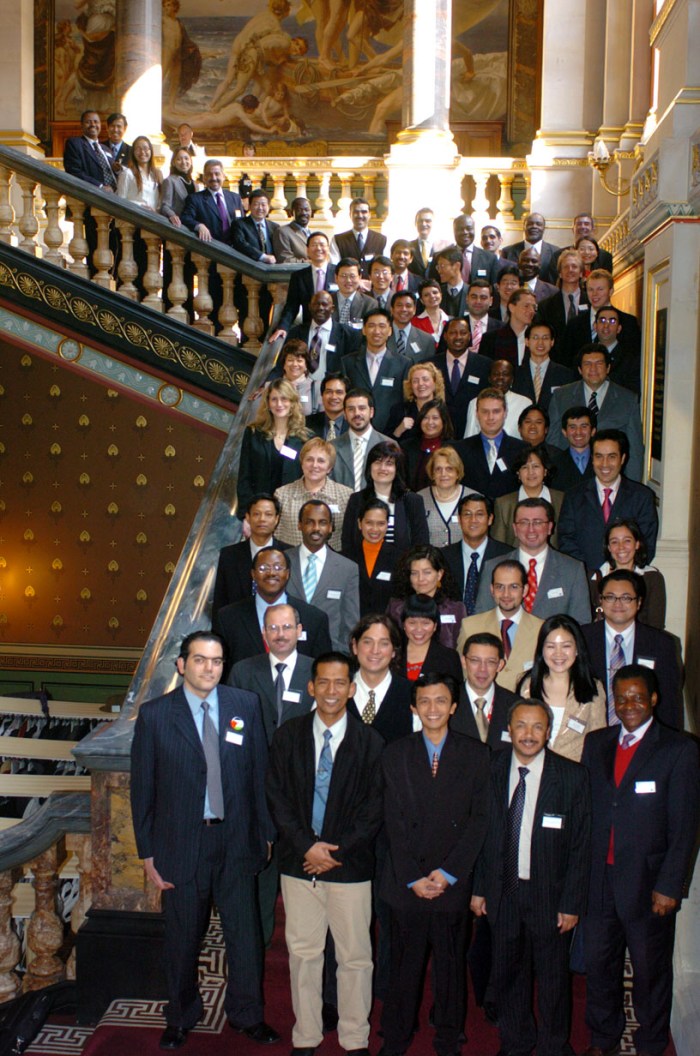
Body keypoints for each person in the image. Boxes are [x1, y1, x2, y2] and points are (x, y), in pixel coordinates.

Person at [130, 631, 278, 1050]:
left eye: (216, 660)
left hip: (236, 841)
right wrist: (148, 852)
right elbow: (143, 790)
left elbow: (259, 776)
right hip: (182, 844)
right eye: (200, 660)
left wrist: (265, 833)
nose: (209, 668)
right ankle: (180, 1016)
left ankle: (247, 1015)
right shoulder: (156, 715)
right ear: (181, 665)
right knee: (182, 938)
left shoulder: (244, 706)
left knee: (245, 938)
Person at [266, 652, 384, 1056]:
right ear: (311, 687)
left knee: (355, 958)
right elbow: (276, 797)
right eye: (324, 683)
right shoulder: (288, 735)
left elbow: (374, 809)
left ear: (352, 689)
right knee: (303, 955)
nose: (331, 691)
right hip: (299, 864)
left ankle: (354, 1038)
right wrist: (306, 846)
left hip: (350, 868)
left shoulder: (371, 743)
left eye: (340, 684)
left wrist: (334, 851)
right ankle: (307, 1035)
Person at [580, 664, 699, 1056]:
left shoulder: (678, 749)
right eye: (622, 697)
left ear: (653, 699)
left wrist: (670, 885)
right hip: (600, 879)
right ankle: (603, 1038)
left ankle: (649, 1043)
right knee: (599, 966)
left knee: (650, 973)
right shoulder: (596, 743)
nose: (629, 705)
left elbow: (685, 826)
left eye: (637, 697)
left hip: (649, 885)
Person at [471, 699, 591, 1056]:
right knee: (508, 972)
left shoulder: (571, 777)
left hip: (549, 896)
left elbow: (581, 847)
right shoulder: (490, 769)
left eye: (538, 727)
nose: (529, 734)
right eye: (521, 726)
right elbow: (480, 836)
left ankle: (555, 1046)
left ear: (549, 731)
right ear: (509, 730)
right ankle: (516, 1041)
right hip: (502, 890)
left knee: (554, 978)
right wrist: (479, 889)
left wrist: (571, 903)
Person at [380, 674, 490, 1056]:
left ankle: (448, 1036)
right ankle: (396, 1036)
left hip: (451, 882)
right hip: (407, 883)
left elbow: (480, 820)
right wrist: (413, 876)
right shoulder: (395, 753)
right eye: (424, 702)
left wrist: (447, 873)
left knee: (450, 966)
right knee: (403, 968)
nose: (432, 709)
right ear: (413, 707)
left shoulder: (476, 754)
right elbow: (391, 820)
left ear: (454, 706)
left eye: (440, 701)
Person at [581, 570, 684, 730]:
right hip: (590, 733)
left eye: (626, 598)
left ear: (639, 602)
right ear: (601, 600)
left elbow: (669, 703)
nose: (618, 604)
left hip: (643, 737)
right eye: (610, 597)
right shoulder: (581, 638)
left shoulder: (662, 644)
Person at [476, 497, 592, 626]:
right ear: (515, 528)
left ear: (550, 527)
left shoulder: (573, 570)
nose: (531, 529)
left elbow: (581, 623)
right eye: (524, 522)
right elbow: (482, 618)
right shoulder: (492, 567)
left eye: (537, 522)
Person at [213, 546, 332, 669]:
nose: (271, 573)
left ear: (287, 574)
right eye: (263, 568)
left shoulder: (314, 618)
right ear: (253, 574)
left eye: (278, 567)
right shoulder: (227, 618)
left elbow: (324, 670)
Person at [557, 429, 658, 568]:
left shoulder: (641, 497)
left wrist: (620, 573)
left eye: (611, 457)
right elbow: (566, 541)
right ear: (592, 458)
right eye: (599, 456)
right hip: (585, 580)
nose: (605, 464)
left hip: (627, 580)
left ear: (622, 458)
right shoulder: (573, 496)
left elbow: (646, 544)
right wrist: (590, 575)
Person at [546, 347, 645, 480]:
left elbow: (634, 449)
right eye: (587, 364)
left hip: (610, 476)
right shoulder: (561, 396)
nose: (593, 369)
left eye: (599, 363)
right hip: (569, 475)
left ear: (608, 368)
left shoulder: (627, 399)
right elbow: (553, 441)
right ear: (580, 369)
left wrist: (632, 485)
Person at [517, 615, 606, 761]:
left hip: (576, 774)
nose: (558, 654)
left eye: (566, 646)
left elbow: (599, 742)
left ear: (577, 649)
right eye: (551, 646)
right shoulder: (527, 685)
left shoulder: (593, 687)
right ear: (542, 650)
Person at [457, 560, 543, 692]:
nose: (506, 594)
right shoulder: (470, 626)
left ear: (525, 590)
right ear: (492, 589)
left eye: (513, 587)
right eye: (500, 587)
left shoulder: (541, 629)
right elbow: (462, 672)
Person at [287, 500, 360, 652]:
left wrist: (341, 655)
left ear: (330, 527)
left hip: (329, 654)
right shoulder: (282, 562)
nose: (316, 528)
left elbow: (350, 622)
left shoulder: (347, 568)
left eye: (322, 523)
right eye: (309, 522)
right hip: (287, 652)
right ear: (299, 525)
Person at [236, 379, 309, 518]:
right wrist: (247, 515)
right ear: (268, 404)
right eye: (274, 399)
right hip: (259, 514)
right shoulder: (253, 433)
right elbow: (244, 477)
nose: (279, 404)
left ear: (293, 403)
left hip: (289, 515)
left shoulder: (305, 439)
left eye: (284, 399)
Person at [341, 440, 429, 554]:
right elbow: (348, 543)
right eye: (377, 462)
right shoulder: (356, 500)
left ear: (397, 469)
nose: (382, 468)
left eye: (389, 463)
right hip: (363, 569)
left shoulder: (412, 501)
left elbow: (421, 544)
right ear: (369, 467)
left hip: (402, 569)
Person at [212, 493, 289, 617]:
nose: (262, 519)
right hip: (238, 628)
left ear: (277, 519)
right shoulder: (229, 555)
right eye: (256, 514)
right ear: (247, 518)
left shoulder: (289, 553)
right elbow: (220, 601)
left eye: (268, 514)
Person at [274, 437, 352, 550]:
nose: (314, 465)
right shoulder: (282, 495)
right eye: (309, 459)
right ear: (302, 463)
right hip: (292, 563)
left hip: (331, 564)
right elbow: (276, 536)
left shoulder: (346, 496)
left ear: (329, 467)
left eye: (321, 461)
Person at [449, 387, 526, 500]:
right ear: (476, 414)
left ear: (505, 413)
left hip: (509, 515)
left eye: (496, 411)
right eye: (485, 411)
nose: (490, 417)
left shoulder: (522, 450)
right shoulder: (459, 450)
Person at [590, 517, 667, 629]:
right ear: (609, 547)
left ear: (637, 544)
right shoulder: (595, 578)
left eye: (627, 541)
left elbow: (656, 625)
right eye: (614, 542)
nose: (621, 547)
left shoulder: (652, 578)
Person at [341, 308, 409, 433]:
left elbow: (405, 401)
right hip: (355, 430)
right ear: (364, 330)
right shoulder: (348, 362)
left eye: (382, 326)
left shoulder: (403, 364)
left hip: (390, 434)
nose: (377, 331)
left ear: (390, 331)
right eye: (371, 326)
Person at [348, 614, 413, 742]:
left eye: (384, 643)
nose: (375, 650)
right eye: (367, 642)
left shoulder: (412, 693)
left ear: (394, 650)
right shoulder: (336, 690)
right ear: (355, 646)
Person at [387, 545, 466, 651]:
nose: (420, 579)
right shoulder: (396, 608)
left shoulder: (456, 609)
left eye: (427, 572)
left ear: (439, 574)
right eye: (414, 573)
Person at [442, 493, 511, 615]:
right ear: (459, 519)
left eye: (479, 514)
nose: (473, 520)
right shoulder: (443, 557)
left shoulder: (507, 555)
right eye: (467, 514)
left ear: (490, 519)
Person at [560, 270, 641, 372]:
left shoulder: (628, 322)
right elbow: (566, 360)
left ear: (611, 291)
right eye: (590, 289)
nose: (595, 294)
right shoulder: (574, 324)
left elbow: (633, 359)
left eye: (600, 289)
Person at [451, 632, 517, 747]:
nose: (482, 669)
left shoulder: (515, 705)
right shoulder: (447, 701)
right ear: (463, 661)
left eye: (490, 662)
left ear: (500, 665)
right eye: (475, 660)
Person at [491, 444, 565, 548]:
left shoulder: (562, 500)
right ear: (518, 473)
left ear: (545, 471)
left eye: (536, 466)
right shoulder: (503, 504)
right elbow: (498, 545)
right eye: (525, 467)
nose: (531, 472)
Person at [271, 232, 338, 339]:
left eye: (322, 245)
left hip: (334, 329)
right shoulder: (299, 276)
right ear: (307, 250)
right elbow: (291, 306)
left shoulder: (338, 273)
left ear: (328, 249)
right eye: (314, 245)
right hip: (309, 329)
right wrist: (283, 327)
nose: (318, 248)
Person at [434, 316, 492, 438]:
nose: (458, 337)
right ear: (445, 336)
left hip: (472, 432)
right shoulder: (431, 365)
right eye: (453, 333)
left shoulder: (485, 365)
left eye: (463, 333)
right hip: (438, 433)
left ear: (470, 336)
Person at [285, 292, 361, 382]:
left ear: (332, 308)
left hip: (333, 390)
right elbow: (283, 362)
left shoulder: (349, 335)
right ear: (309, 307)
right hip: (301, 387)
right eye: (316, 304)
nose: (320, 308)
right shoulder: (295, 333)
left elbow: (353, 369)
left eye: (324, 304)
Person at [330, 389, 390, 491]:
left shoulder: (388, 445)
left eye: (362, 408)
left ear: (371, 412)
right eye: (351, 409)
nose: (357, 413)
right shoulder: (331, 447)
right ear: (344, 414)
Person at [396, 594, 463, 684]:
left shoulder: (449, 658)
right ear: (404, 624)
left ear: (435, 626)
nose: (419, 629)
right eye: (412, 623)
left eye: (425, 623)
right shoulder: (392, 653)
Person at [512, 321, 575, 412]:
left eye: (545, 338)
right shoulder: (515, 373)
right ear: (527, 341)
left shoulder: (565, 374)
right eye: (535, 338)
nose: (540, 342)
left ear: (552, 342)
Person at [462, 358, 533, 438]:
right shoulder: (475, 402)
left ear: (512, 379)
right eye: (496, 374)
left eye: (505, 374)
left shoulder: (525, 403)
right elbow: (470, 436)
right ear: (489, 378)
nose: (500, 377)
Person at [180, 158, 244, 242]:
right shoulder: (195, 199)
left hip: (234, 248)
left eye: (217, 174)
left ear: (223, 176)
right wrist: (199, 226)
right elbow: (185, 218)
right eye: (209, 174)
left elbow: (242, 222)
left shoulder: (235, 198)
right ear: (204, 178)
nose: (214, 178)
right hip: (211, 247)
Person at [417, 446, 470, 548]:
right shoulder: (418, 499)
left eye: (449, 469)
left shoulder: (473, 498)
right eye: (438, 469)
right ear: (432, 473)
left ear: (457, 472)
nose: (443, 474)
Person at [351, 498, 397, 615]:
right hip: (354, 625)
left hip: (387, 625)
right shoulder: (346, 558)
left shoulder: (400, 558)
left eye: (381, 523)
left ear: (387, 525)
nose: (375, 529)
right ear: (359, 523)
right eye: (369, 523)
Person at [400, 399, 455, 492]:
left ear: (444, 421)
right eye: (425, 417)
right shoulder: (406, 447)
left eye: (435, 418)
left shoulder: (454, 448)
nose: (430, 422)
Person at [385, 361, 447, 441]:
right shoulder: (399, 410)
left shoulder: (445, 410)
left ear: (435, 383)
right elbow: (386, 443)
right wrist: (399, 430)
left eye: (425, 379)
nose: (420, 384)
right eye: (415, 381)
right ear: (410, 386)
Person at [537, 248, 588, 341]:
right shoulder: (545, 307)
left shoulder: (591, 302)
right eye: (566, 267)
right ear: (560, 273)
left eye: (574, 266)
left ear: (581, 273)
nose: (570, 270)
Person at [479, 287, 538, 367]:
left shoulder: (537, 339)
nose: (531, 310)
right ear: (511, 307)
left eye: (534, 307)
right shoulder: (491, 339)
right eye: (526, 306)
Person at [330, 196, 387, 277]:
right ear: (350, 215)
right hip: (347, 287)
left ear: (369, 215)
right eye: (356, 212)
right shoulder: (337, 240)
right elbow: (334, 268)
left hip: (373, 288)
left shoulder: (382, 240)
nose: (360, 215)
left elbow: (385, 269)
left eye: (364, 212)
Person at [591, 304, 641, 394]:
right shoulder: (585, 355)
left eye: (612, 321)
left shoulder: (631, 359)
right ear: (595, 326)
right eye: (602, 320)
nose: (606, 325)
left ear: (619, 328)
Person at [63, 109, 117, 192]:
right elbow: (74, 172)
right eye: (88, 122)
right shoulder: (75, 144)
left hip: (116, 195)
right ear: (82, 125)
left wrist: (118, 170)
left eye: (96, 122)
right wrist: (100, 187)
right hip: (94, 195)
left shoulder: (107, 149)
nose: (93, 124)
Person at [501, 211, 562, 283]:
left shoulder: (556, 252)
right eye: (530, 224)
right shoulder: (508, 252)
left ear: (544, 228)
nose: (534, 226)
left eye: (538, 224)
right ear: (524, 227)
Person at [550, 405, 596, 491]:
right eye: (572, 427)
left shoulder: (603, 461)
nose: (578, 432)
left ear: (593, 431)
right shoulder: (554, 464)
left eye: (584, 426)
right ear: (564, 432)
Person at [449, 213, 501, 286]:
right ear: (453, 231)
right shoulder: (441, 257)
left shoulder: (490, 258)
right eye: (460, 229)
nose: (465, 232)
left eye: (469, 228)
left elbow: (494, 289)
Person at [231, 188, 279, 263]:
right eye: (256, 204)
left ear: (268, 207)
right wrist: (263, 257)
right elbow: (240, 244)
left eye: (263, 205)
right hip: (250, 268)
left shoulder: (275, 227)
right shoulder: (239, 224)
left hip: (271, 269)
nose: (260, 208)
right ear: (249, 206)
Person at [387, 290, 434, 361]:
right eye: (399, 305)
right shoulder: (380, 334)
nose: (404, 309)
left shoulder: (427, 340)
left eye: (408, 306)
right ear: (392, 309)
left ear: (414, 310)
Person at [331, 258, 379, 327]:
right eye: (344, 276)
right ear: (336, 278)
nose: (348, 280)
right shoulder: (328, 301)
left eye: (352, 276)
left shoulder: (370, 304)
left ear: (360, 277)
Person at [306, 372, 351, 441]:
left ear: (347, 396)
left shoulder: (354, 424)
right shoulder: (307, 424)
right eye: (329, 392)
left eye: (339, 392)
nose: (333, 397)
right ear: (322, 395)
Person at [407, 206, 448, 278]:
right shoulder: (408, 247)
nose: (423, 224)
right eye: (420, 221)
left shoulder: (442, 247)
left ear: (433, 223)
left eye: (427, 221)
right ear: (415, 223)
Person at [272, 196, 313, 263]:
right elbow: (285, 259)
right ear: (291, 212)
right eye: (299, 210)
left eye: (307, 210)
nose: (304, 213)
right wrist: (311, 262)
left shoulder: (311, 234)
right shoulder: (282, 232)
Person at [412, 279, 450, 347]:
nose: (432, 296)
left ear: (441, 295)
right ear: (421, 300)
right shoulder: (414, 323)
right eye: (426, 295)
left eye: (435, 292)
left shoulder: (451, 321)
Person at [435, 246, 469, 318]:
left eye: (442, 266)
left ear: (456, 266)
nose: (439, 271)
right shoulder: (437, 293)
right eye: (438, 267)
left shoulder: (471, 292)